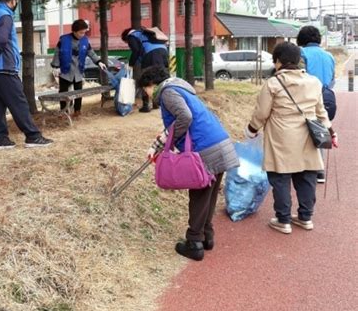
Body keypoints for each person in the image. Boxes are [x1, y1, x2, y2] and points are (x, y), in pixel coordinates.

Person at [140, 66, 239, 261]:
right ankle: (206, 236)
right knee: (208, 194)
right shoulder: (182, 89)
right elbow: (177, 124)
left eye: (145, 89)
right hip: (219, 143)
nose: (146, 94)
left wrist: (165, 142)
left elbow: (185, 118)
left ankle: (194, 242)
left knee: (199, 194)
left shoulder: (167, 92)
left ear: (151, 85)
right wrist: (158, 144)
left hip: (206, 148)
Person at [246, 42, 338, 234]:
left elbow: (262, 113)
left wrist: (252, 129)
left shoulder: (273, 83)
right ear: (298, 61)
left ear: (278, 61)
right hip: (308, 135)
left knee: (280, 178)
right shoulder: (314, 82)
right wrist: (331, 131)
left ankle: (284, 220)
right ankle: (305, 218)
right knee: (307, 176)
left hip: (281, 136)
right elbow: (321, 112)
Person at [0, 0, 53, 151]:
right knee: (20, 103)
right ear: (13, 0)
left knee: (0, 106)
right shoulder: (6, 16)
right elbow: (1, 41)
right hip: (5, 69)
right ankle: (33, 136)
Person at [296, 25, 336, 184]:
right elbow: (332, 79)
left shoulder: (302, 54)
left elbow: (299, 77)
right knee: (320, 130)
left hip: (308, 97)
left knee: (304, 131)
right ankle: (320, 171)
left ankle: (306, 168)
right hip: (328, 97)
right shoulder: (329, 56)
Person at [51, 19, 107, 118]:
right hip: (65, 70)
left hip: (78, 71)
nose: (83, 34)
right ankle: (64, 111)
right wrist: (55, 66)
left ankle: (77, 111)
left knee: (79, 92)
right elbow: (57, 53)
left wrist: (99, 62)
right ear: (74, 31)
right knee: (63, 93)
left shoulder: (85, 40)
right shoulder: (63, 40)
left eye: (84, 32)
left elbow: (91, 53)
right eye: (81, 32)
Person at [121, 27, 169, 112]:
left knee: (146, 79)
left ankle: (146, 106)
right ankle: (157, 103)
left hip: (151, 54)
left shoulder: (131, 36)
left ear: (126, 37)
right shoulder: (144, 34)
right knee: (160, 78)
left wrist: (131, 64)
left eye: (126, 42)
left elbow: (136, 51)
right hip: (164, 51)